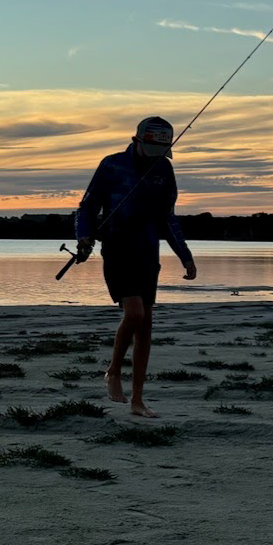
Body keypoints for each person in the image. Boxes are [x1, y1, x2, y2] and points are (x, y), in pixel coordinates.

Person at [72, 115, 197, 416]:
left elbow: (167, 217)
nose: (156, 158)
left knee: (146, 325)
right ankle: (113, 371)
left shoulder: (164, 170)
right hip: (117, 248)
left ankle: (137, 400)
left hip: (147, 251)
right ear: (136, 141)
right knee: (135, 313)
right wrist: (84, 237)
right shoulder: (112, 165)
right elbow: (87, 207)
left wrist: (185, 255)